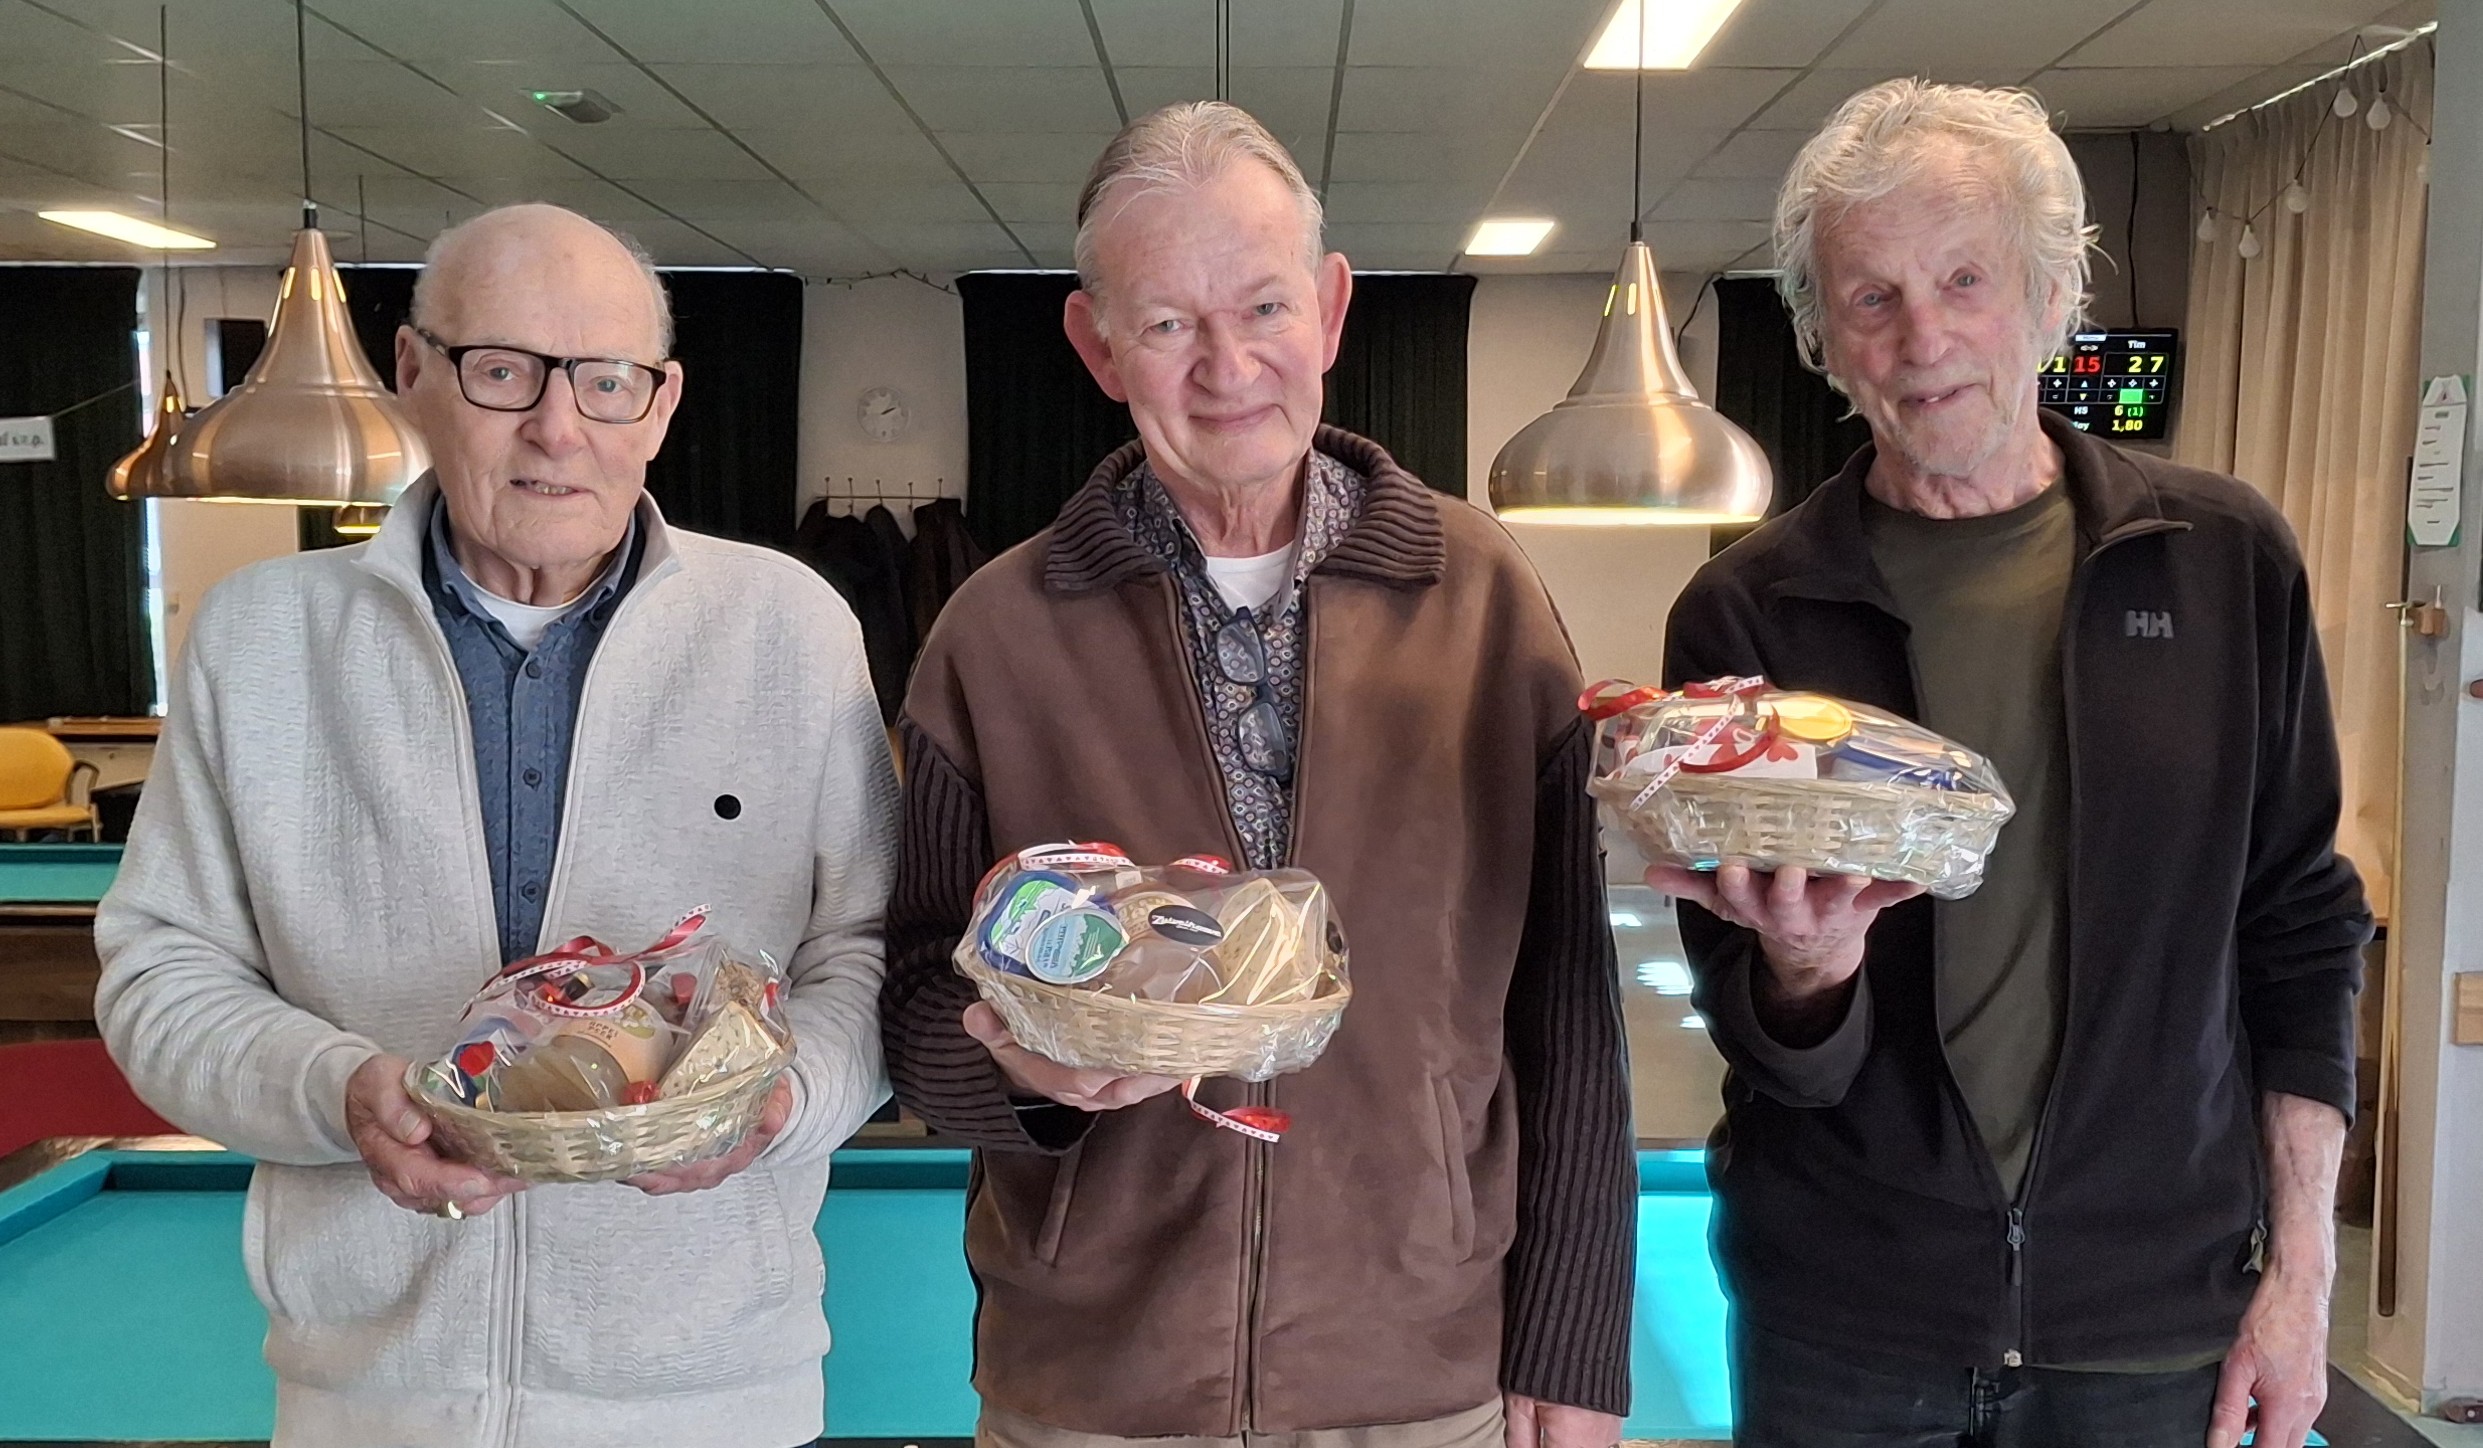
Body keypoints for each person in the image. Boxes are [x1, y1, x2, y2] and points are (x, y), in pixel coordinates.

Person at [880, 102, 1635, 1448]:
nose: (1225, 366)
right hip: (1090, 1390)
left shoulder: (1483, 600)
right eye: (1168, 322)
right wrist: (1025, 1074)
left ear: (1331, 311)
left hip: (1416, 1377)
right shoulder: (994, 635)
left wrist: (1574, 1348)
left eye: (1264, 308)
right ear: (1096, 345)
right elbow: (915, 1001)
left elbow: (1566, 998)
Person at [95, 203, 898, 1448]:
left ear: (663, 403)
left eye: (607, 379)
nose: (557, 426)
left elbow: (870, 949)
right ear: (413, 372)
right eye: (504, 370)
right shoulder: (259, 639)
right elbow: (161, 974)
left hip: (717, 1392)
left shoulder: (790, 628)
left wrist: (785, 1100)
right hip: (368, 1402)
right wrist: (336, 1089)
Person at [1656, 80, 2370, 1448]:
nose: (1921, 337)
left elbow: (2295, 924)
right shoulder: (1748, 614)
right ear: (1822, 341)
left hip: (2149, 1320)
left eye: (1963, 280)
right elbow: (1760, 1040)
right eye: (1869, 298)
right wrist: (1804, 972)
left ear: (2049, 297)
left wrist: (2301, 1277)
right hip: (1842, 1322)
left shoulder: (2219, 561)